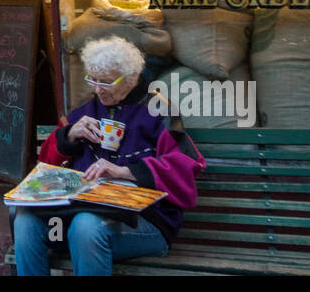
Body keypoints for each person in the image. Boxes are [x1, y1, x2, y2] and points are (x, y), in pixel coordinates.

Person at [12, 38, 205, 275]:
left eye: (105, 82)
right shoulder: (85, 112)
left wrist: (125, 171)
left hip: (143, 221)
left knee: (85, 227)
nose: (97, 89)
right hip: (76, 216)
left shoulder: (159, 110)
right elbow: (47, 168)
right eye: (92, 80)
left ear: (131, 78)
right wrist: (69, 136)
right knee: (25, 222)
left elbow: (183, 169)